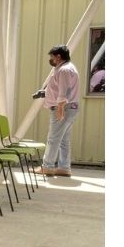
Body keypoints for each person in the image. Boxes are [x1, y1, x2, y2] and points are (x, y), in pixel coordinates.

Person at [38, 44, 80, 177]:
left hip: (63, 108)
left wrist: (60, 109)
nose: (50, 59)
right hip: (69, 108)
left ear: (58, 56)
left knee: (53, 138)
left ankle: (47, 166)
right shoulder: (67, 68)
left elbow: (63, 91)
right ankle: (64, 167)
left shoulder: (64, 70)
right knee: (63, 140)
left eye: (52, 57)